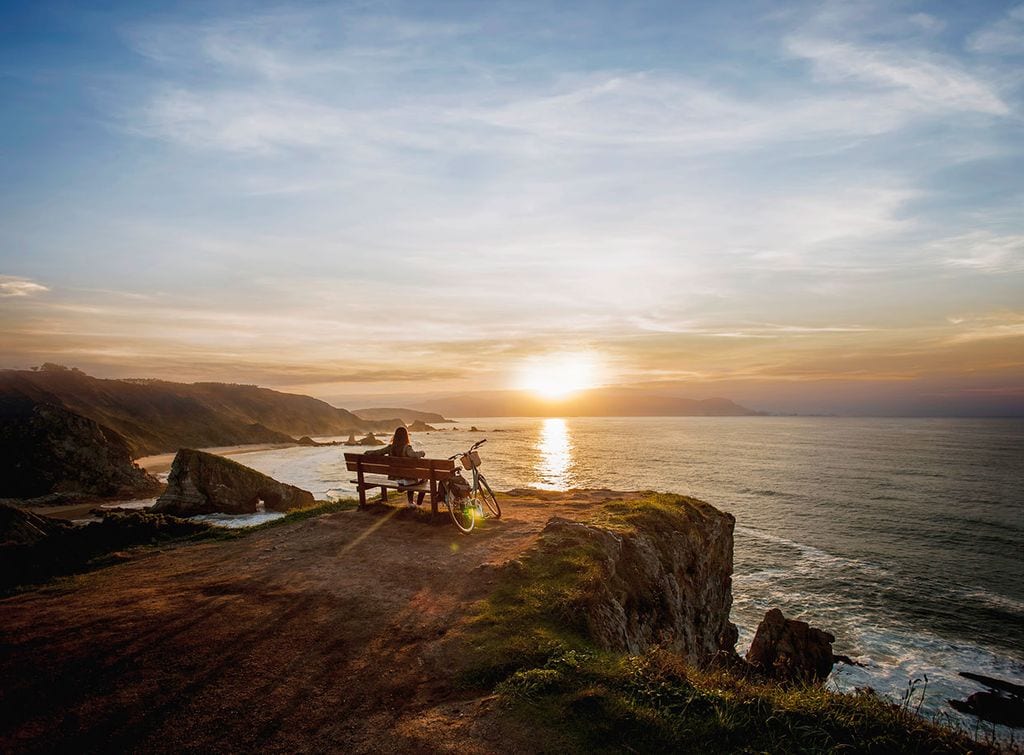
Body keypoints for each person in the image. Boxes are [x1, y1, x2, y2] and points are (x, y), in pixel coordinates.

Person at [365, 426, 427, 506]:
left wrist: (368, 452)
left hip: (397, 479)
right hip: (408, 480)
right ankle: (417, 503)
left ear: (395, 436)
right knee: (424, 479)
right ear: (406, 436)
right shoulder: (407, 448)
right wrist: (422, 453)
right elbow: (414, 455)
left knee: (409, 477)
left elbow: (378, 452)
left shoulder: (390, 448)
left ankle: (410, 501)